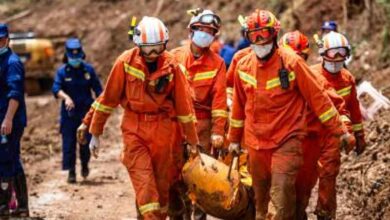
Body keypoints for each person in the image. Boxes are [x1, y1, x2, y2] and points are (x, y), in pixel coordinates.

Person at [227, 10, 349, 220]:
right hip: (256, 142)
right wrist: (233, 139)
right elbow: (238, 105)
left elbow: (318, 99)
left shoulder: (292, 63)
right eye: (253, 35)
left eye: (263, 34)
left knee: (281, 197)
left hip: (287, 140)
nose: (258, 40)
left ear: (273, 34)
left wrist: (341, 131)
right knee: (260, 202)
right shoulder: (243, 66)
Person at [80, 17, 199, 219]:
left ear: (165, 44)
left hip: (164, 133)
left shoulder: (172, 66)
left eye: (158, 47)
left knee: (162, 189)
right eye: (148, 48)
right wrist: (95, 132)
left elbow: (184, 108)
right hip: (135, 131)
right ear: (138, 45)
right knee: (145, 186)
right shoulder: (125, 63)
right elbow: (108, 99)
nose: (153, 54)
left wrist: (193, 141)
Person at [279, 31, 355, 220]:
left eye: (299, 57)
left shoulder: (312, 77)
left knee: (313, 183)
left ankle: (323, 214)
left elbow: (340, 107)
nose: (293, 62)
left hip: (317, 137)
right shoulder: (262, 73)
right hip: (283, 140)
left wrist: (347, 132)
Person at [170, 8, 227, 220]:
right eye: (201, 29)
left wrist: (218, 131)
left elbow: (219, 102)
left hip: (203, 129)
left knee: (200, 180)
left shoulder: (217, 63)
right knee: (175, 178)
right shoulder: (174, 57)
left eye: (210, 31)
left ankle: (199, 216)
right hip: (176, 127)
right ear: (191, 31)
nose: (205, 34)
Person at [310, 31, 366, 219]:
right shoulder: (311, 74)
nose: (337, 58)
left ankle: (325, 213)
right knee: (300, 178)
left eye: (342, 53)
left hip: (334, 136)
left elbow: (353, 109)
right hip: (310, 134)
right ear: (323, 54)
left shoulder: (347, 78)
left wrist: (359, 136)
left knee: (328, 175)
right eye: (333, 53)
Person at [52, 38, 102, 183]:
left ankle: (85, 165)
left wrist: (101, 108)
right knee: (68, 144)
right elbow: (56, 89)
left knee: (85, 143)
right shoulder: (62, 71)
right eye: (72, 56)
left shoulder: (88, 70)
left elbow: (98, 90)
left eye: (77, 56)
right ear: (67, 56)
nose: (75, 59)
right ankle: (71, 171)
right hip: (69, 115)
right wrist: (65, 97)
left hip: (85, 114)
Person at [0, 23, 29, 217]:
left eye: (1, 39)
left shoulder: (12, 62)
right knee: (6, 160)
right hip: (2, 119)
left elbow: (15, 94)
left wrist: (8, 119)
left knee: (8, 160)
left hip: (10, 120)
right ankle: (12, 206)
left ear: (8, 39)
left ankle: (14, 207)